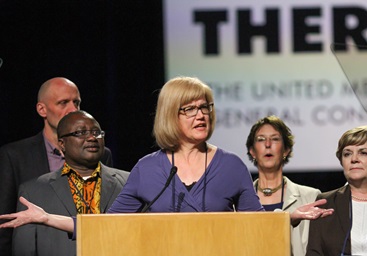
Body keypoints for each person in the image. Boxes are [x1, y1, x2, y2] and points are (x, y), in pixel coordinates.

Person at [0, 76, 333, 238]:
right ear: (171, 116)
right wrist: (47, 218)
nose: (201, 115)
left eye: (205, 108)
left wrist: (291, 216)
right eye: (189, 109)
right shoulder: (148, 168)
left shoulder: (231, 165)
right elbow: (103, 226)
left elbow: (256, 223)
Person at [0, 77, 113, 255]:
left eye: (76, 102)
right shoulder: (14, 156)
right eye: (63, 103)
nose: (73, 110)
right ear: (42, 109)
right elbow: (6, 222)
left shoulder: (101, 153)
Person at [12, 110, 129, 256]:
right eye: (80, 133)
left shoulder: (128, 183)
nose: (92, 137)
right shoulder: (33, 191)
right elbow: (24, 249)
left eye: (97, 132)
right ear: (62, 144)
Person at [246, 115, 321, 256]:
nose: (268, 144)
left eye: (275, 139)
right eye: (261, 139)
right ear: (252, 151)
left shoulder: (311, 196)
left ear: (286, 150)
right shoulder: (239, 200)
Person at [306, 126, 367, 255]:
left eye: (363, 153)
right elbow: (315, 252)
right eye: (347, 154)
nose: (354, 159)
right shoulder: (326, 202)